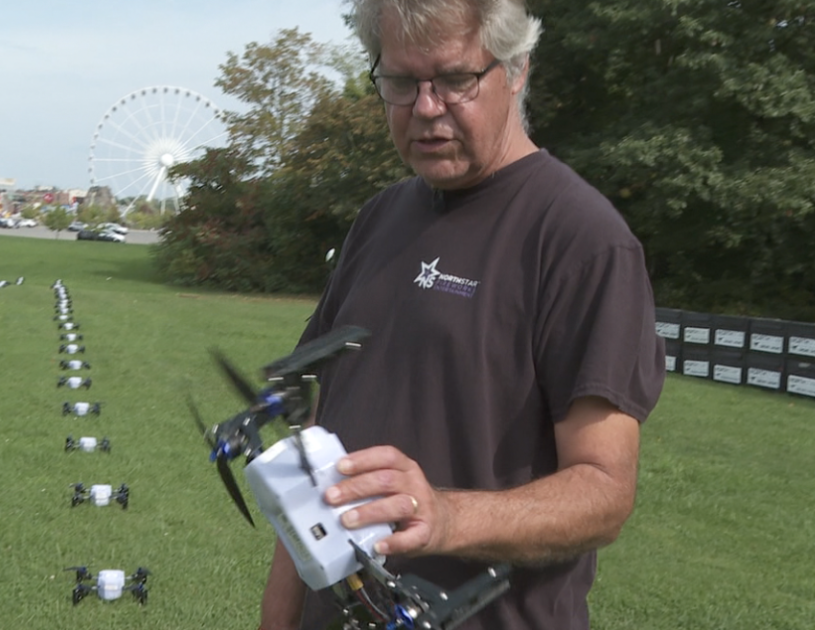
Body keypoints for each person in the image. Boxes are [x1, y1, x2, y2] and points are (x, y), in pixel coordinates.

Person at [259, 1, 665, 628]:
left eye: (454, 80)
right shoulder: (379, 219)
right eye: (401, 82)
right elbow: (317, 457)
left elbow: (604, 492)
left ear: (517, 68)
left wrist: (446, 517)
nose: (425, 108)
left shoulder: (581, 240)